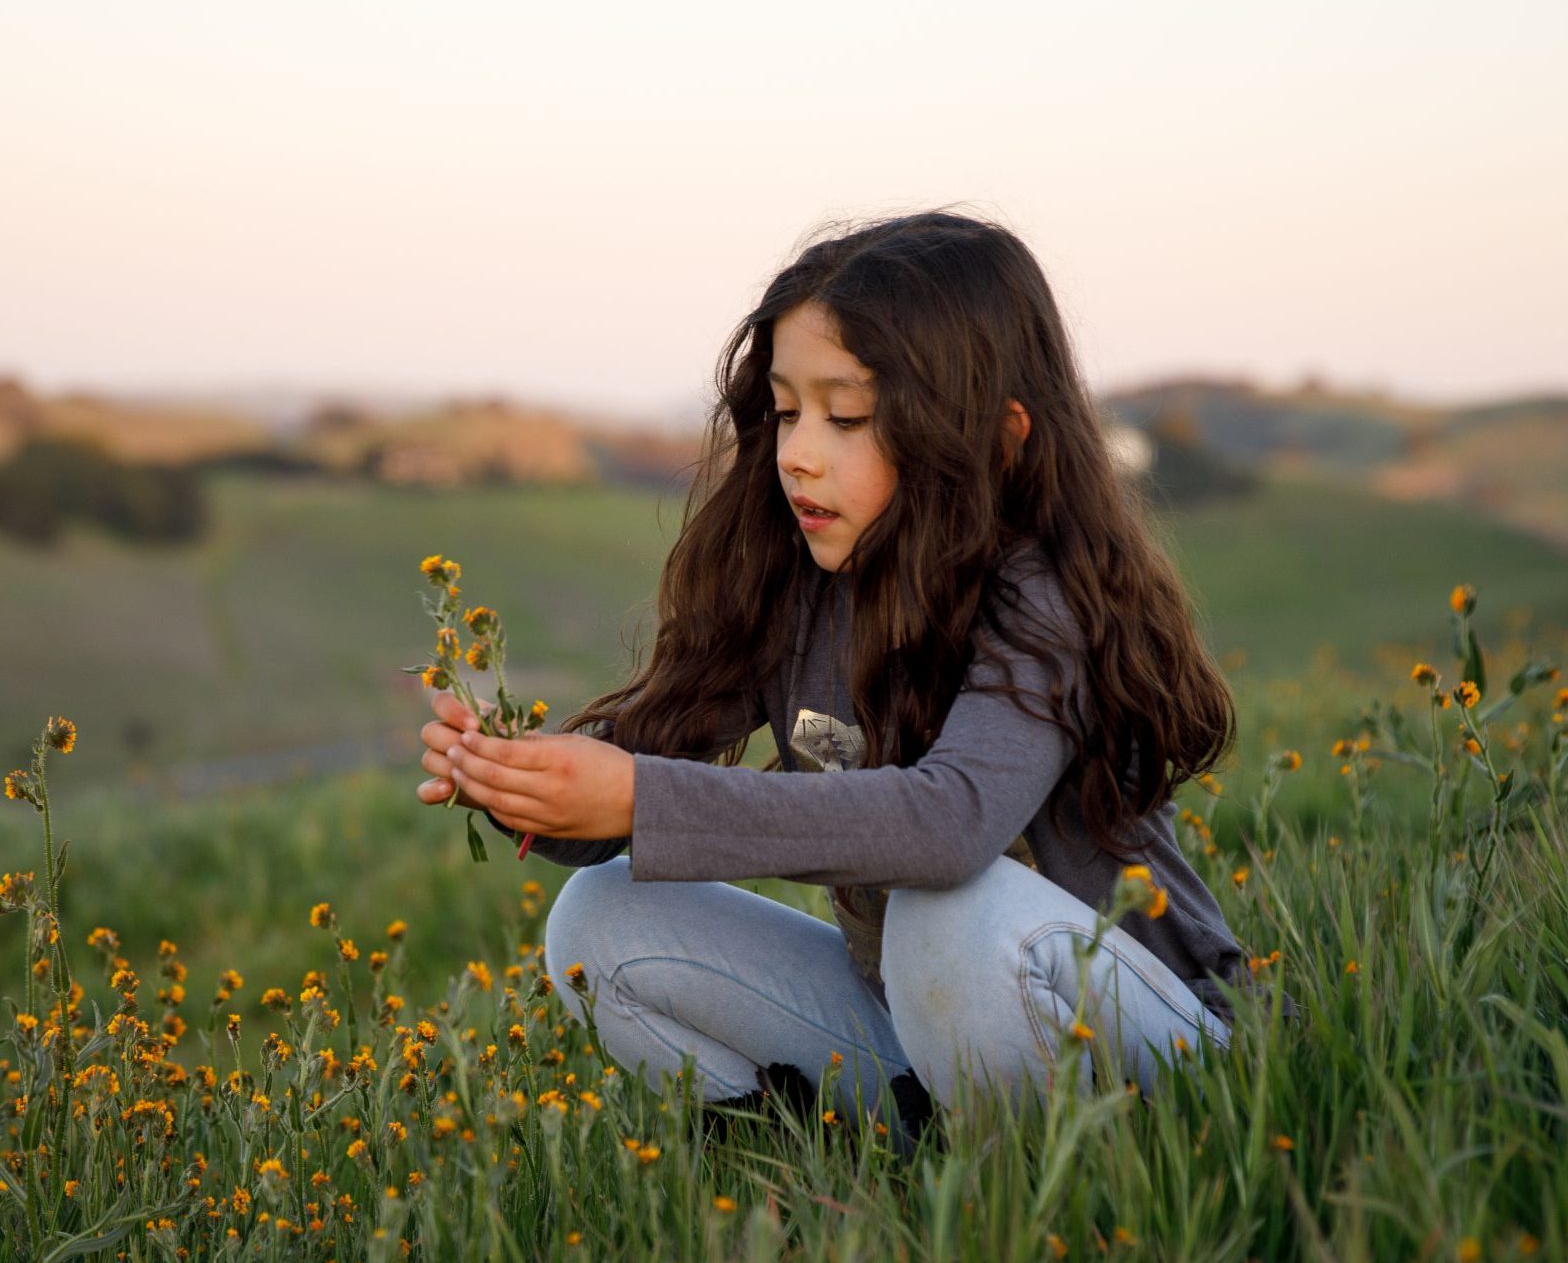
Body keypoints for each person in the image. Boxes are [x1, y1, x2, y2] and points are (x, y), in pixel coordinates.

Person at [416, 209, 1260, 1148]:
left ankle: (1060, 1199)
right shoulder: (798, 589)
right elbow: (635, 780)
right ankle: (847, 1166)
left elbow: (950, 825)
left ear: (997, 438)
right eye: (785, 411)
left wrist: (645, 801)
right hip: (920, 1030)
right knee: (603, 919)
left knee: (955, 905)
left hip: (1165, 1062)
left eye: (847, 416)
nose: (797, 452)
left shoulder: (1042, 597)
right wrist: (525, 787)